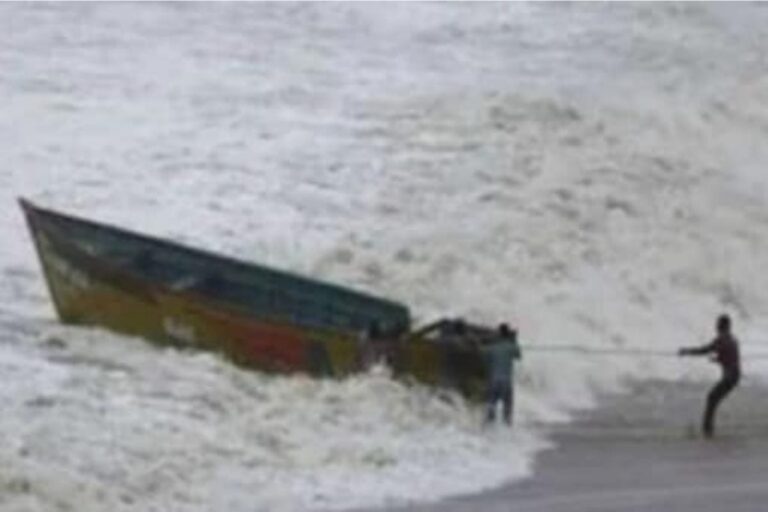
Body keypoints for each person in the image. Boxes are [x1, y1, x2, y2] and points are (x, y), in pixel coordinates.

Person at [678, 314, 741, 438]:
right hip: (734, 375)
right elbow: (730, 357)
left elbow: (704, 350)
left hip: (730, 376)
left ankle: (707, 431)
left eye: (718, 324)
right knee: (713, 399)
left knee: (711, 398)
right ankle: (708, 429)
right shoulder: (732, 339)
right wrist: (718, 359)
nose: (716, 326)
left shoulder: (722, 339)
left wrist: (686, 352)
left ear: (722, 326)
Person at [481, 323, 522, 426]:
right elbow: (518, 355)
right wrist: (514, 340)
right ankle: (507, 429)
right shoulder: (511, 347)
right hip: (506, 382)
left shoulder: (491, 348)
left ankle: (488, 429)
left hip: (493, 381)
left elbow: (483, 356)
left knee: (491, 406)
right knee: (507, 407)